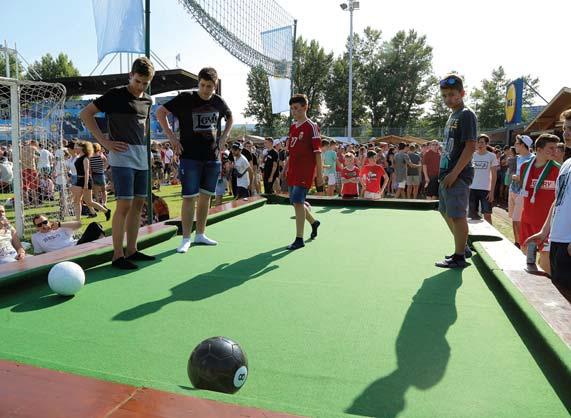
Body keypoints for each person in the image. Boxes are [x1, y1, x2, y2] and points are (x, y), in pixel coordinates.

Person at [80, 57, 156, 269]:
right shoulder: (115, 95)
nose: (140, 86)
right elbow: (85, 114)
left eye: (145, 83)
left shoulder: (149, 101)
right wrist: (104, 142)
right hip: (121, 157)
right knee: (124, 204)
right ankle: (117, 255)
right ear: (131, 75)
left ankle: (132, 250)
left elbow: (145, 126)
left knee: (139, 204)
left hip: (141, 157)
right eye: (138, 81)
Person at [156, 67, 233, 253]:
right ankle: (185, 238)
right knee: (189, 197)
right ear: (198, 83)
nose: (206, 89)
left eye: (210, 86)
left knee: (206, 197)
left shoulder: (218, 101)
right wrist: (172, 137)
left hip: (212, 157)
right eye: (203, 85)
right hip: (189, 156)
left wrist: (223, 139)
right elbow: (160, 112)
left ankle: (200, 234)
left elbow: (230, 118)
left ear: (215, 85)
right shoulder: (185, 98)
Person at [435, 74, 477, 269]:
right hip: (447, 172)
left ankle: (459, 256)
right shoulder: (453, 115)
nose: (448, 99)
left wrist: (454, 173)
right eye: (444, 95)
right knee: (445, 211)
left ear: (462, 93)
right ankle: (463, 247)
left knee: (457, 214)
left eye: (452, 94)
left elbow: (470, 147)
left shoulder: (466, 114)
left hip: (458, 174)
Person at [525, 149, 571, 290]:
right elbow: (558, 200)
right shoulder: (566, 164)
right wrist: (544, 231)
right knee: (560, 292)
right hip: (557, 239)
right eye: (565, 128)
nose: (567, 132)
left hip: (568, 241)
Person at [285, 93, 323, 250]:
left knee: (298, 202)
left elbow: (318, 152)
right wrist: (286, 167)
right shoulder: (293, 127)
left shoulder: (311, 126)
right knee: (295, 202)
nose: (294, 111)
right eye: (292, 109)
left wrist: (319, 175)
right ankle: (314, 222)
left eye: (296, 108)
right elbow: (291, 150)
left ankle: (299, 239)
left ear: (305, 107)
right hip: (293, 171)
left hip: (305, 171)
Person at [518, 134, 560, 274]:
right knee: (527, 259)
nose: (555, 151)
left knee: (545, 262)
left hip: (546, 225)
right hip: (527, 220)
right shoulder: (525, 167)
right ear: (539, 149)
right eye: (551, 148)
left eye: (556, 148)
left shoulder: (558, 169)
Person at [70, 141, 110, 222]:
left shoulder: (85, 158)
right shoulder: (78, 157)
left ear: (82, 148)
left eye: (77, 146)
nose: (75, 148)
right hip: (78, 180)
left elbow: (87, 172)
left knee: (89, 202)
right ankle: (77, 220)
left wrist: (85, 185)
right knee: (77, 201)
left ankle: (106, 211)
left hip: (86, 181)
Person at [31, 215, 105, 254]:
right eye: (39, 225)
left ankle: (104, 248)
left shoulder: (59, 227)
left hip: (77, 246)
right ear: (36, 228)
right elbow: (38, 253)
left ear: (49, 221)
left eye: (45, 222)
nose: (43, 226)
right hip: (57, 256)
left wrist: (60, 225)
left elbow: (79, 224)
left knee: (94, 226)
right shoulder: (36, 237)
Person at [509, 135, 534, 248]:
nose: (515, 145)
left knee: (518, 219)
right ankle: (517, 242)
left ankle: (521, 243)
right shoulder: (516, 158)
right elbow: (512, 175)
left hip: (523, 193)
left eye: (517, 143)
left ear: (524, 145)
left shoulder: (533, 159)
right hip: (512, 190)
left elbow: (528, 177)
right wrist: (517, 176)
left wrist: (518, 176)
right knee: (514, 219)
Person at [468, 134, 498, 224]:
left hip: (486, 189)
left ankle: (491, 235)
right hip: (472, 188)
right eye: (478, 142)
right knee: (473, 216)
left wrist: (492, 191)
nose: (479, 145)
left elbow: (494, 175)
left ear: (486, 144)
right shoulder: (472, 155)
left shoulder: (491, 156)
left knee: (487, 215)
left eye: (482, 142)